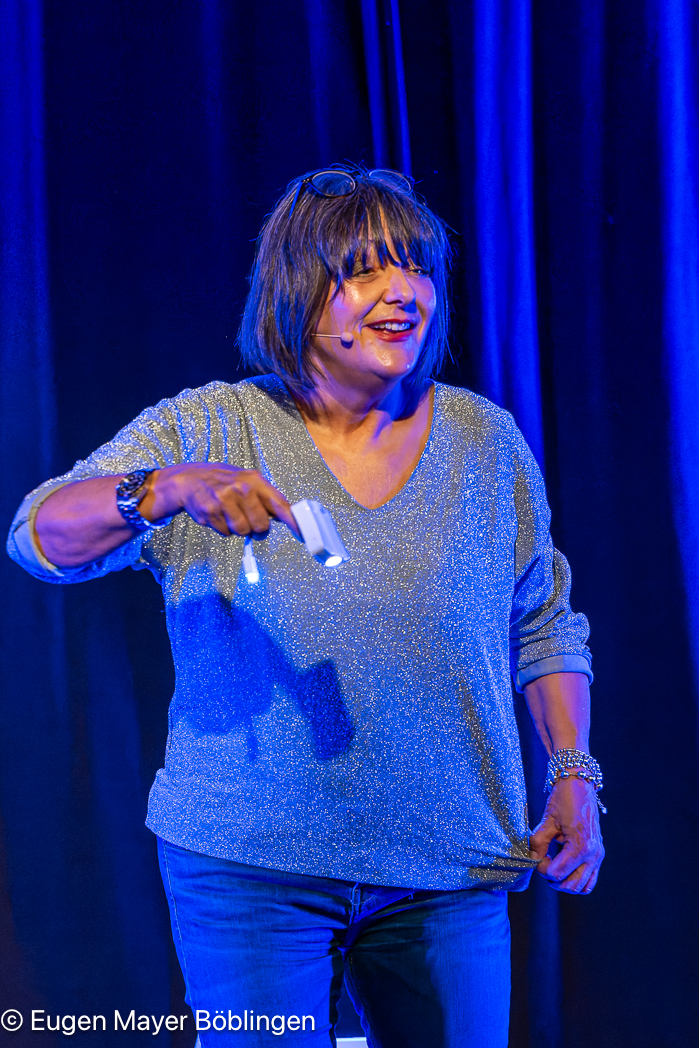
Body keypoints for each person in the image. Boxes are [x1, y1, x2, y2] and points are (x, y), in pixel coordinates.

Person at [7, 166, 604, 1048]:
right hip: (249, 871)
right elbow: (38, 535)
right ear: (297, 290)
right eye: (363, 270)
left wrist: (572, 774)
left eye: (417, 268)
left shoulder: (485, 440)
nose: (402, 291)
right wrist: (163, 489)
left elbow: (542, 623)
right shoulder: (214, 427)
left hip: (449, 864)